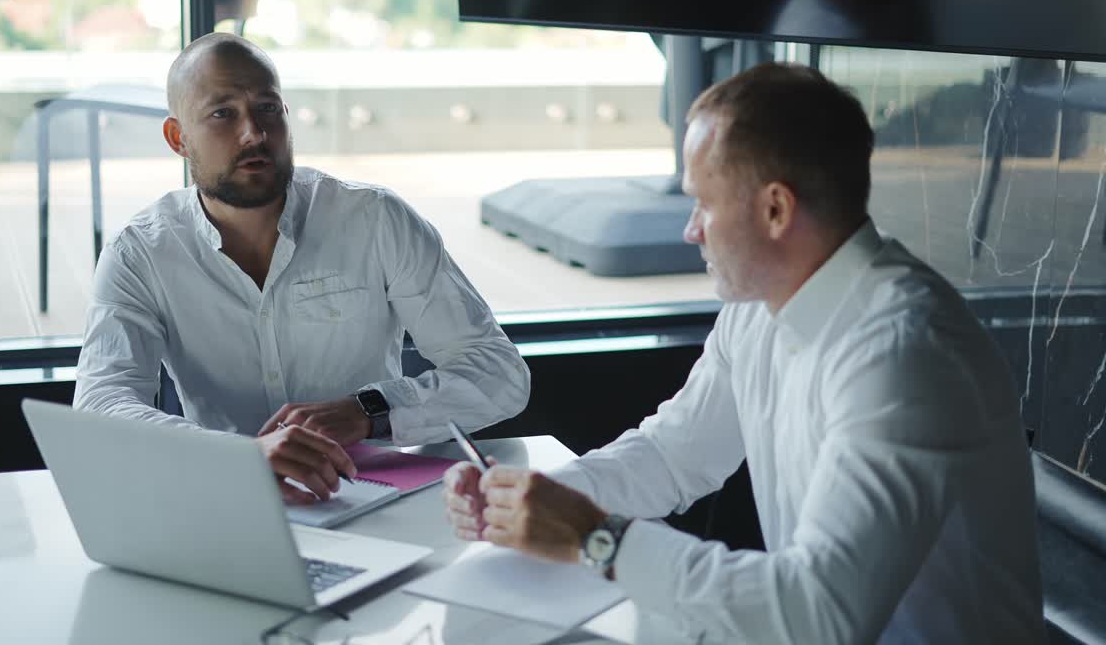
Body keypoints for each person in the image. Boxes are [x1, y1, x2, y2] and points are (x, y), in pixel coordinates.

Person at [443, 63, 1043, 643]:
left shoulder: (905, 355)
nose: (690, 230)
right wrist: (524, 499)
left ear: (776, 209)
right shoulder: (758, 307)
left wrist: (597, 538)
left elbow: (821, 616)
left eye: (703, 204)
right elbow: (671, 456)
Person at [74, 33, 530, 505]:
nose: (254, 133)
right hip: (226, 501)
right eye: (222, 114)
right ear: (178, 138)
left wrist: (369, 409)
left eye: (267, 108)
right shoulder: (141, 252)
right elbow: (101, 404)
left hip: (370, 494)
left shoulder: (374, 219)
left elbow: (499, 372)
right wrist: (243, 456)